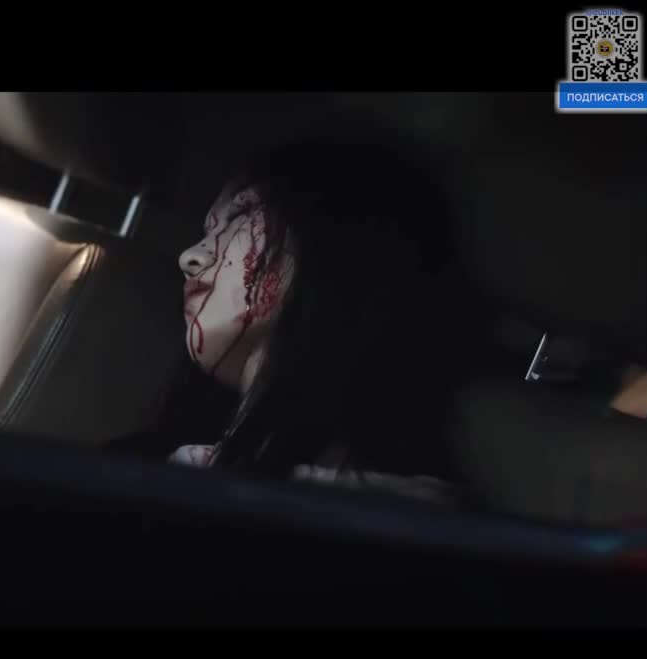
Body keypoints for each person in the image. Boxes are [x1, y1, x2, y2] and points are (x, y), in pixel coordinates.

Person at [109, 137, 477, 507]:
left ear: (340, 245)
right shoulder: (139, 467)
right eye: (207, 233)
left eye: (238, 217)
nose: (190, 256)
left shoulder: (414, 515)